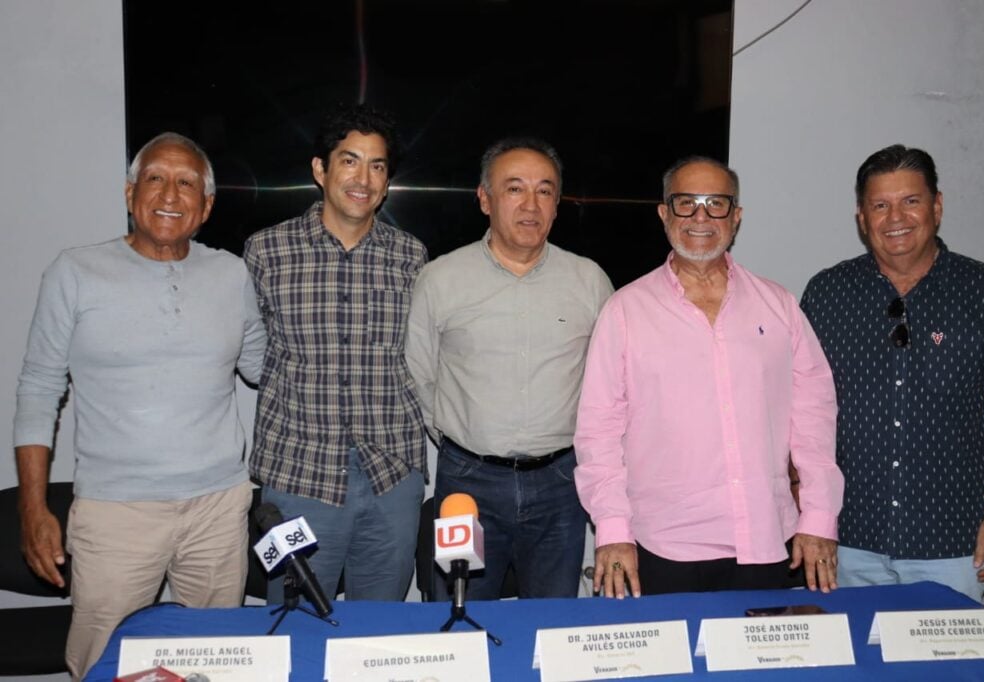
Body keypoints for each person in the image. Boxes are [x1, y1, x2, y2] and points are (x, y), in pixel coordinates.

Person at [14, 132, 265, 679]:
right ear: (131, 194)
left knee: (220, 662)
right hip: (115, 514)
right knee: (105, 663)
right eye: (155, 178)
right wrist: (33, 510)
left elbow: (264, 367)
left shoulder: (231, 274)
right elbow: (38, 389)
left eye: (186, 183)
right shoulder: (75, 272)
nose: (169, 193)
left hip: (218, 510)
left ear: (207, 205)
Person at [575, 157, 844, 598]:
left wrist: (818, 517)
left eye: (715, 204)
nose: (701, 217)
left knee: (766, 668)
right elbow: (598, 433)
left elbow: (814, 418)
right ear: (664, 214)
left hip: (766, 540)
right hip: (662, 547)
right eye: (686, 203)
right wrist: (612, 529)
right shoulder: (625, 311)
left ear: (735, 217)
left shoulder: (779, 307)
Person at [801, 144, 984, 601]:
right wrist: (807, 517)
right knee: (854, 672)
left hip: (955, 544)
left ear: (937, 206)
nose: (895, 217)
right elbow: (800, 410)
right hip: (845, 540)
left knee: (950, 672)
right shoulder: (826, 295)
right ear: (861, 218)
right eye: (879, 205)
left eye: (911, 201)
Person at [406, 137, 614, 599]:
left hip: (560, 485)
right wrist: (466, 441)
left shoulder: (590, 281)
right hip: (467, 483)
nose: (530, 204)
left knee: (551, 627)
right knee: (458, 619)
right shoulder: (441, 279)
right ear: (485, 199)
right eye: (514, 189)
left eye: (544, 191)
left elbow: (607, 385)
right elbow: (420, 375)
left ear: (557, 204)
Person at [244, 103, 427, 603]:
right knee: (295, 621)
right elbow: (250, 353)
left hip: (390, 476)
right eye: (349, 161)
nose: (363, 178)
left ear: (387, 181)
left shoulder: (412, 257)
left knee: (381, 628)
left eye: (377, 165)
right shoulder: (266, 252)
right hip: (298, 475)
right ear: (320, 170)